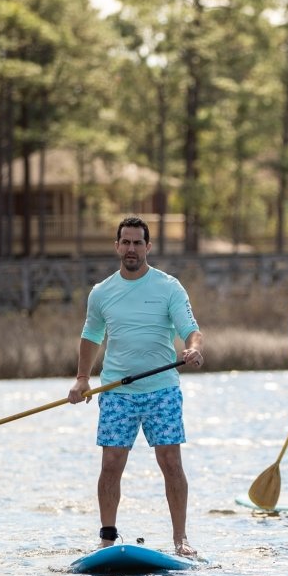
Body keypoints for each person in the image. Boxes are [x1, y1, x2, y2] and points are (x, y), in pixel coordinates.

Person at [68, 216, 205, 557]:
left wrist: (193, 348)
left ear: (148, 247)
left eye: (137, 243)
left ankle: (180, 540)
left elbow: (191, 329)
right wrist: (82, 378)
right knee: (111, 464)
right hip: (117, 391)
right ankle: (107, 537)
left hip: (162, 390)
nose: (131, 248)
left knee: (171, 462)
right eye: (125, 242)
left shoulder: (169, 286)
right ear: (117, 246)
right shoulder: (101, 293)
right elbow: (91, 337)